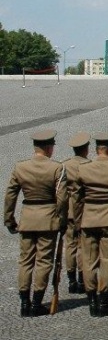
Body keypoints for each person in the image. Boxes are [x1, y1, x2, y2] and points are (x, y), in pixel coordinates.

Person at [4, 129, 67, 317]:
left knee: (25, 261)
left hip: (27, 218)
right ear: (49, 148)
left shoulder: (20, 167)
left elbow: (10, 195)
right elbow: (62, 198)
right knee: (44, 261)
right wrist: (61, 219)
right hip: (48, 219)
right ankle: (37, 303)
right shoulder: (57, 168)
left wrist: (9, 219)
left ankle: (24, 302)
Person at [74, 132, 108, 317]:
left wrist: (78, 222)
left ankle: (92, 300)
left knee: (89, 260)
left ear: (97, 149)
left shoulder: (83, 169)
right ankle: (104, 300)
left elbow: (77, 199)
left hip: (89, 217)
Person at [63, 132, 91, 295]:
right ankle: (82, 279)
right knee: (82, 245)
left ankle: (71, 279)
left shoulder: (64, 165)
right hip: (84, 209)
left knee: (70, 244)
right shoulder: (88, 165)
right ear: (86, 149)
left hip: (69, 209)